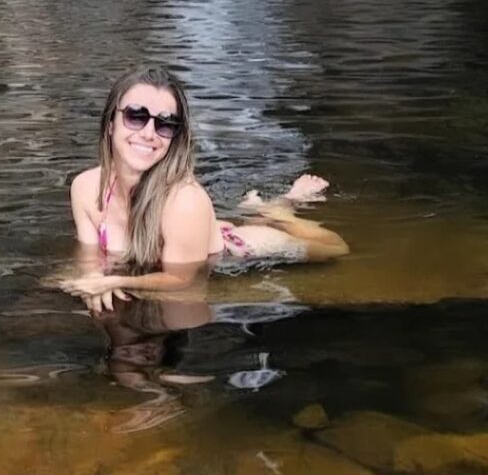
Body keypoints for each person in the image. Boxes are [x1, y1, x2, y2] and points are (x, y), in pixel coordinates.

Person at [54, 66, 349, 312]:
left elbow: (182, 280)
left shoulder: (185, 201)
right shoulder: (85, 187)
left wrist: (117, 282)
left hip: (239, 250)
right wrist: (92, 275)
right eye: (136, 116)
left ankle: (282, 211)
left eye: (165, 124)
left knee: (336, 250)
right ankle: (267, 208)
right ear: (110, 123)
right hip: (194, 236)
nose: (148, 133)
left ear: (175, 137)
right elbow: (90, 254)